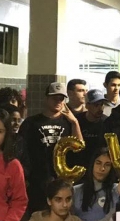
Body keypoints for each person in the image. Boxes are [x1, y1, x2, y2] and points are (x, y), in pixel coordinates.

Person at [19, 82, 83, 212]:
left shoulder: (69, 122)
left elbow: (79, 147)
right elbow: (22, 151)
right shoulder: (31, 122)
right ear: (46, 98)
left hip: (61, 182)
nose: (58, 101)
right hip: (37, 182)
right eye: (54, 98)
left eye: (61, 98)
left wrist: (75, 122)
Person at [72, 148, 119, 221]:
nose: (102, 168)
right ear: (92, 164)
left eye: (107, 165)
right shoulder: (75, 191)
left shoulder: (116, 190)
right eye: (98, 163)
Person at [73, 88, 109, 172]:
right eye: (96, 105)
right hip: (79, 166)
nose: (100, 108)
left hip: (98, 167)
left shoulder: (107, 122)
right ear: (87, 106)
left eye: (102, 105)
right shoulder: (77, 120)